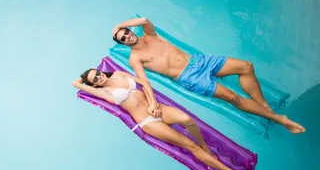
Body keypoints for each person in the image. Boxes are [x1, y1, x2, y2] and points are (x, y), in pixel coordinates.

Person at [72, 68, 264, 170]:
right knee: (190, 147)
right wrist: (85, 81)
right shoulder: (104, 92)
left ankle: (204, 147)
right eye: (94, 80)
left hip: (157, 108)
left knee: (188, 120)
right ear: (93, 84)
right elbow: (75, 83)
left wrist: (154, 104)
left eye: (97, 74)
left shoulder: (118, 74)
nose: (98, 78)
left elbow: (144, 84)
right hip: (148, 121)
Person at [111, 17, 305, 134]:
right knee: (232, 97)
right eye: (123, 38)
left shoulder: (150, 34)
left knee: (246, 66)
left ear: (130, 31)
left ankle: (263, 106)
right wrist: (152, 103)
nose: (127, 36)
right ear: (123, 44)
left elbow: (144, 20)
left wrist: (119, 24)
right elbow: (143, 81)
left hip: (199, 61)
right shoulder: (135, 59)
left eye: (126, 33)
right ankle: (280, 119)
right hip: (190, 77)